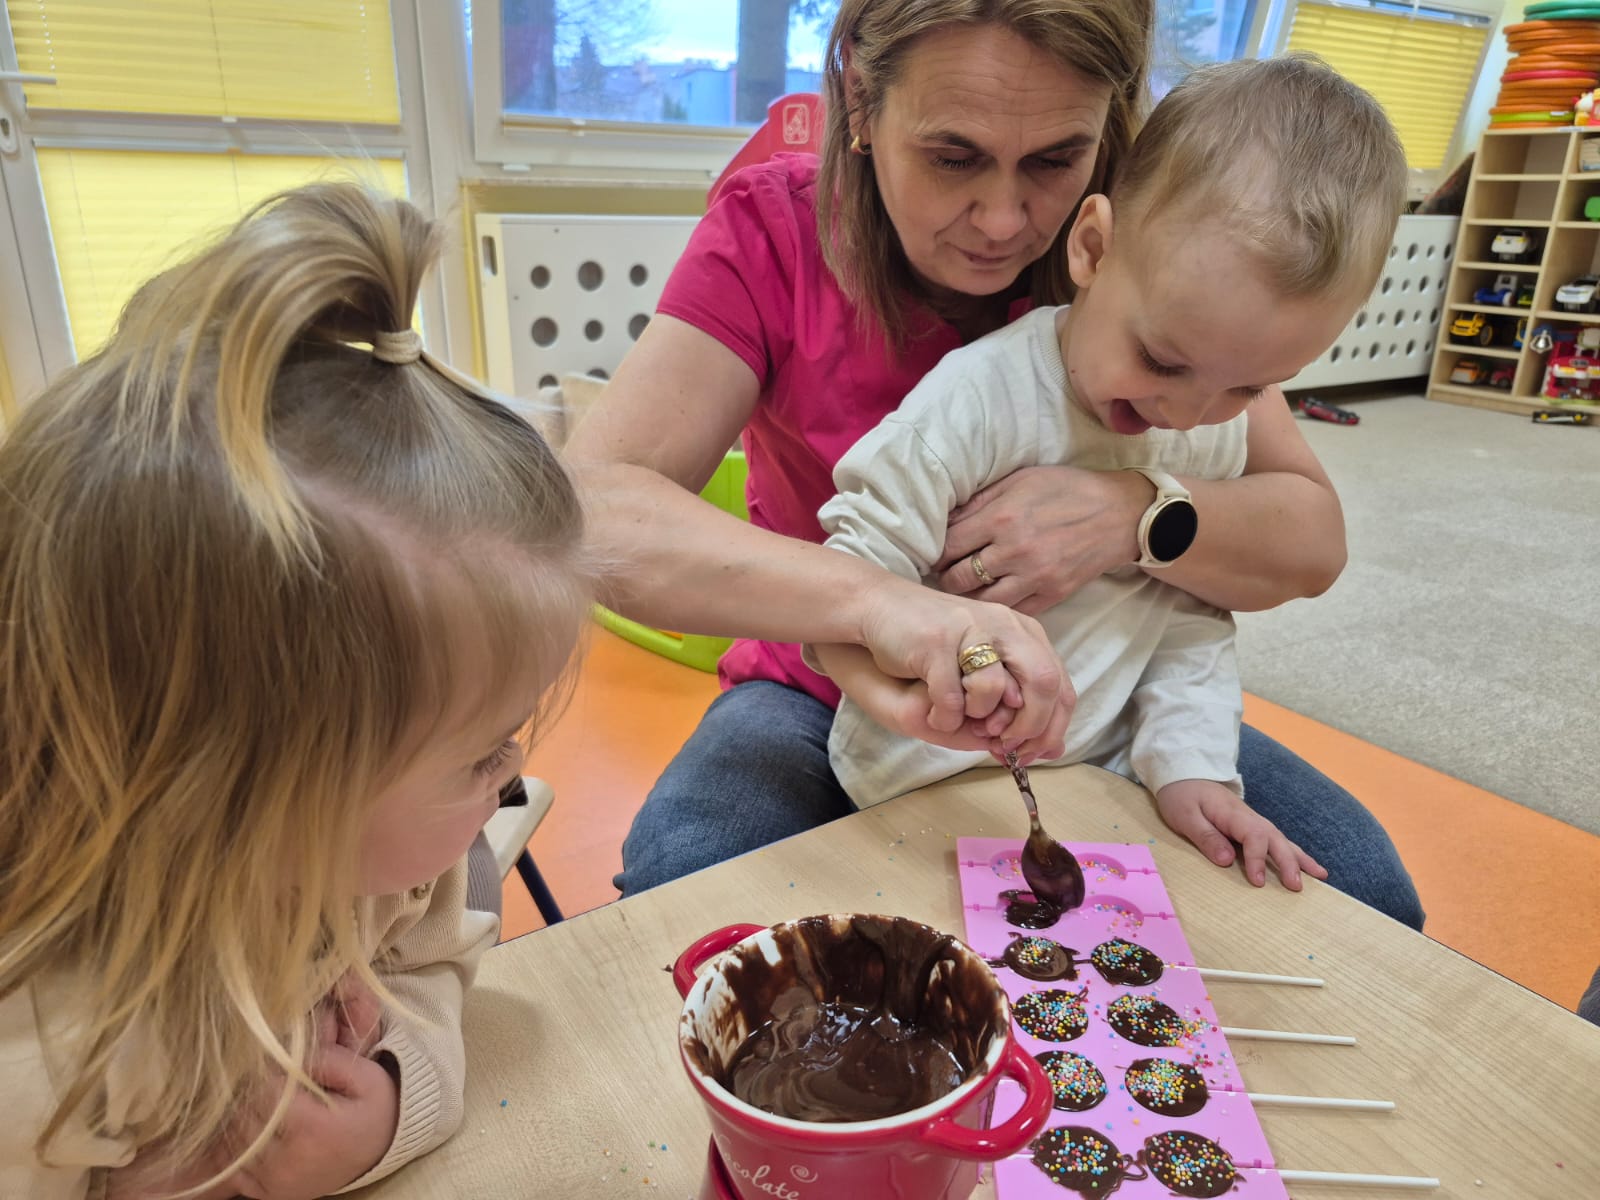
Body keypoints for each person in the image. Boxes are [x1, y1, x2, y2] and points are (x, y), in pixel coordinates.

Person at [568, 0, 1423, 929]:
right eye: (952, 156)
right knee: (694, 890)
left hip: (1103, 699)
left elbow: (1304, 542)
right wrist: (881, 606)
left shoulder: (1184, 260)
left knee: (1362, 898)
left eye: (1056, 159)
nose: (1005, 220)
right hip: (818, 694)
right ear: (861, 103)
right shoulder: (777, 237)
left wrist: (1131, 515)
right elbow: (590, 510)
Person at [0, 184, 595, 1199]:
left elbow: (434, 971)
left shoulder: (397, 874)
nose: (515, 770)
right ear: (247, 791)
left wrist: (397, 1099)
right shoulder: (52, 1053)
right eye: (481, 752)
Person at [815, 55, 1401, 892]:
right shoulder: (977, 400)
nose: (1187, 414)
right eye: (1162, 360)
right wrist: (939, 662)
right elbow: (847, 581)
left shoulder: (1211, 430)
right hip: (913, 781)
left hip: (1099, 774)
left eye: (1249, 388)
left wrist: (1191, 766)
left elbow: (1190, 621)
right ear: (1092, 248)